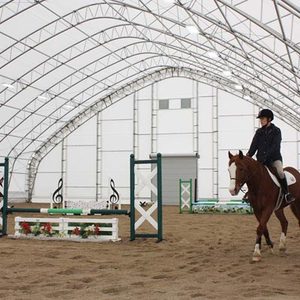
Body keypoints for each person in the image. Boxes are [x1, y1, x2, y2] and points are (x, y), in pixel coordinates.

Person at [246, 108, 295, 203]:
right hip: (261, 160)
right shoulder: (259, 132)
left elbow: (275, 146)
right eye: (260, 119)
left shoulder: (276, 131)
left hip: (274, 159)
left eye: (263, 119)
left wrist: (265, 157)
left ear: (269, 119)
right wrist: (248, 156)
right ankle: (250, 193)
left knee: (280, 173)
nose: (261, 121)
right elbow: (254, 145)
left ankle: (286, 193)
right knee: (252, 173)